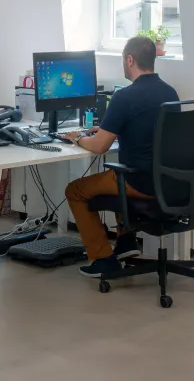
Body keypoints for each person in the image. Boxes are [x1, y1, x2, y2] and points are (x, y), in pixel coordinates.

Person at [63, 35, 179, 279]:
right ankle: (125, 244)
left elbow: (100, 147)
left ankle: (103, 258)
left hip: (137, 182)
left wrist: (77, 138)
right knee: (118, 173)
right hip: (169, 182)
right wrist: (106, 128)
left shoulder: (124, 96)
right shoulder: (170, 92)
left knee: (75, 190)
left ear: (129, 60)